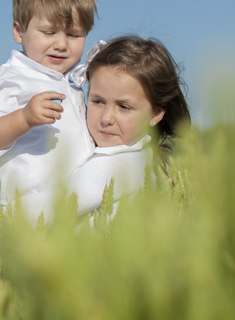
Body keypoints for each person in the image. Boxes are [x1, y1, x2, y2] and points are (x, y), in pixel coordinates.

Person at [0, 0, 98, 220]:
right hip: (13, 207)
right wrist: (23, 118)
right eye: (49, 32)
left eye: (74, 35)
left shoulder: (69, 81)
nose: (62, 44)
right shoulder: (15, 77)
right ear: (19, 31)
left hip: (55, 207)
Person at [68, 35, 190, 217]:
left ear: (156, 113)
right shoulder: (146, 159)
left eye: (124, 107)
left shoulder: (114, 164)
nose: (106, 118)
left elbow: (45, 210)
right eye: (98, 101)